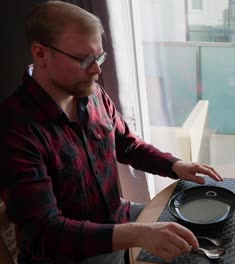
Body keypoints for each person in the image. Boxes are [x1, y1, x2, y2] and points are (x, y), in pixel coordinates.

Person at [0, 1, 223, 263]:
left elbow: (127, 145)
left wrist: (175, 165)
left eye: (99, 57)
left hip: (119, 218)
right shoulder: (14, 129)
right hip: (70, 254)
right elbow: (47, 231)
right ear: (41, 54)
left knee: (205, 235)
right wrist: (139, 234)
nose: (96, 69)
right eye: (84, 59)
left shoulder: (90, 92)